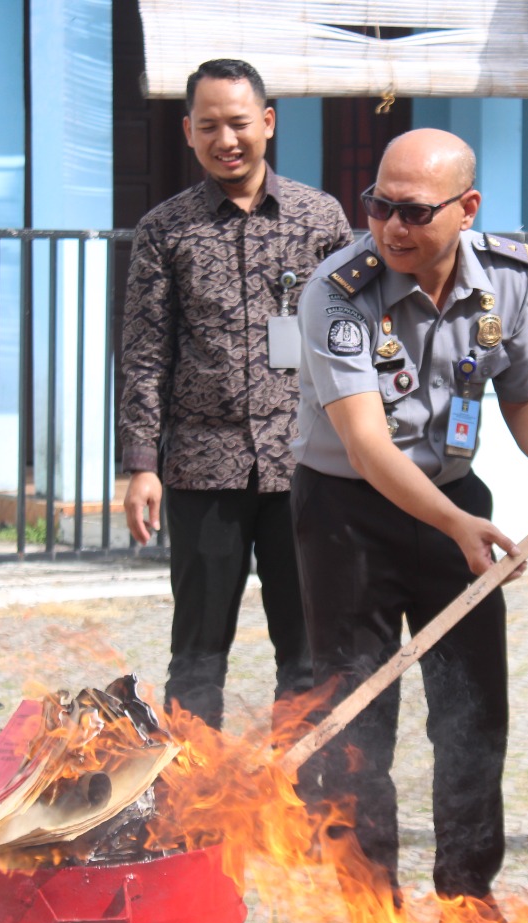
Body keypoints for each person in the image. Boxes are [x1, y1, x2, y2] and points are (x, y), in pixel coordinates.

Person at [290, 128, 528, 909]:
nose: (392, 227)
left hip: (456, 506)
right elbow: (366, 444)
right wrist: (454, 526)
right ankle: (376, 920)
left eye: (415, 212)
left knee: (473, 713)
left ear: (467, 208)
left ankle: (469, 896)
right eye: (379, 206)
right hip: (347, 517)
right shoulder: (337, 290)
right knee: (359, 724)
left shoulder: (507, 280)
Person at [119, 59, 352, 728]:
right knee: (196, 657)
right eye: (211, 125)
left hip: (306, 464)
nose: (228, 139)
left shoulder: (320, 219)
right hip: (202, 468)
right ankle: (192, 806)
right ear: (188, 131)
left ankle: (302, 800)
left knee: (307, 653)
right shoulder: (167, 230)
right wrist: (140, 464)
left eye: (240, 123)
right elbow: (143, 352)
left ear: (268, 124)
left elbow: (353, 344)